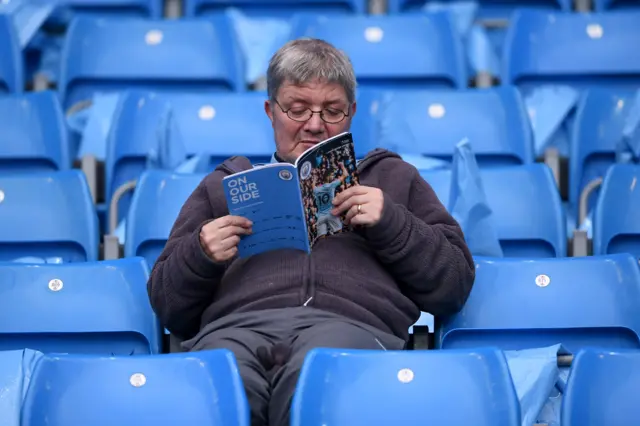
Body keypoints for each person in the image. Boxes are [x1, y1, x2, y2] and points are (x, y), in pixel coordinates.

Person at [147, 38, 475, 426]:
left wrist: (392, 222)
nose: (315, 125)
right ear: (271, 111)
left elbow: (454, 284)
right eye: (297, 109)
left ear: (352, 112)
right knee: (222, 390)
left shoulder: (393, 178)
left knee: (317, 382)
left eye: (332, 111)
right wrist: (200, 254)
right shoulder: (223, 185)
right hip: (235, 331)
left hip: (347, 328)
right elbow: (167, 306)